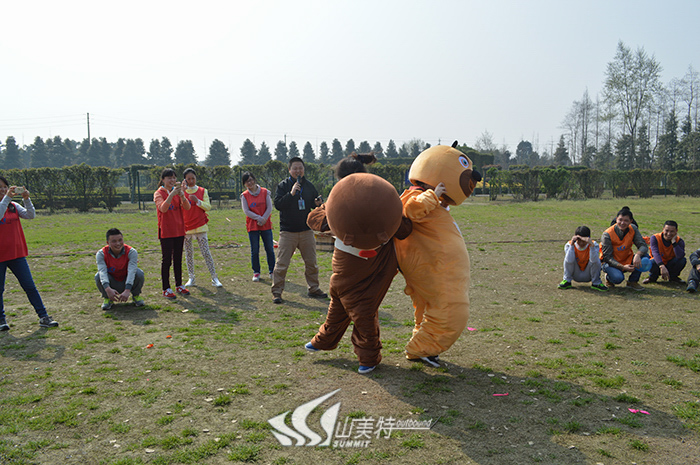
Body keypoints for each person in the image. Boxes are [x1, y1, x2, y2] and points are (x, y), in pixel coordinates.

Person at [0, 177, 58, 330]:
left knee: (30, 286)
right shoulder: (5, 203)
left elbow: (30, 215)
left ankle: (43, 316)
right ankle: (1, 320)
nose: (3, 190)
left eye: (5, 187)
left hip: (17, 255)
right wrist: (7, 198)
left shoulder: (13, 206)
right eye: (0, 187)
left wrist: (26, 199)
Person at [271, 157, 326, 304]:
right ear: (290, 170)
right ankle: (277, 292)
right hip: (288, 232)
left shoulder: (309, 186)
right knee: (282, 264)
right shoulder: (283, 186)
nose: (298, 171)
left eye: (300, 168)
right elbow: (278, 205)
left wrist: (317, 203)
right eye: (295, 168)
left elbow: (314, 204)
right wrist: (291, 194)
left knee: (311, 263)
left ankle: (314, 288)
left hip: (306, 231)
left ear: (304, 169)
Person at [182, 168, 222, 288]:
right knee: (188, 253)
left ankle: (214, 277)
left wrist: (198, 201)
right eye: (188, 179)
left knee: (206, 252)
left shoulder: (202, 191)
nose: (191, 181)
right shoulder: (181, 192)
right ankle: (191, 278)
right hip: (186, 227)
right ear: (185, 180)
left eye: (193, 178)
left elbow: (208, 207)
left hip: (200, 226)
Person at [154, 168, 191, 299]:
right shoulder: (158, 193)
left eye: (174, 178)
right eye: (169, 178)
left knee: (178, 259)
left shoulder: (178, 192)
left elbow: (187, 207)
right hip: (166, 231)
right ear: (163, 180)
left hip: (179, 230)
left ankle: (179, 285)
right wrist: (171, 195)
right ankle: (166, 288)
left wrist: (182, 195)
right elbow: (163, 208)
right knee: (167, 260)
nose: (172, 180)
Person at [600, 206, 649, 291]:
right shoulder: (607, 234)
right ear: (616, 219)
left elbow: (643, 245)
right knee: (618, 278)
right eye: (620, 220)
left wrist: (637, 255)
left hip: (626, 258)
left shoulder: (633, 228)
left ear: (631, 221)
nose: (622, 223)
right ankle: (609, 278)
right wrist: (623, 267)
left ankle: (632, 281)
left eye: (626, 220)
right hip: (610, 262)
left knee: (645, 257)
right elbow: (607, 257)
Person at [96, 228, 145, 310]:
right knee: (98, 276)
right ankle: (107, 298)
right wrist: (107, 289)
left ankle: (136, 295)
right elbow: (102, 272)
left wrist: (127, 289)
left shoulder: (131, 252)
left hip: (127, 280)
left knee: (139, 273)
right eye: (114, 241)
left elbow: (132, 271)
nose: (118, 243)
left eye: (120, 240)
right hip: (112, 281)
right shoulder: (101, 254)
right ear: (108, 243)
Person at [241, 172, 276, 282]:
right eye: (247, 181)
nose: (249, 183)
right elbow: (246, 211)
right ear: (244, 184)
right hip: (253, 226)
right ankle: (256, 272)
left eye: (251, 180)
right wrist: (258, 218)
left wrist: (264, 218)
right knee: (255, 250)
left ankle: (272, 271)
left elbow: (269, 207)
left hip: (266, 225)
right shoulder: (244, 196)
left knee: (269, 249)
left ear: (254, 179)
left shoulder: (265, 192)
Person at [558, 226, 607, 291]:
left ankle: (596, 282)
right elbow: (569, 261)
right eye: (579, 241)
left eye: (583, 241)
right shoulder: (569, 244)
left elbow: (594, 261)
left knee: (596, 260)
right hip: (575, 273)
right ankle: (567, 280)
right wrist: (572, 245)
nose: (581, 243)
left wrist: (591, 246)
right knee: (567, 258)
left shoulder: (594, 244)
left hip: (588, 273)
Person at [642, 220, 686, 285]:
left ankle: (673, 277)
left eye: (672, 231)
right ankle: (652, 277)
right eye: (667, 230)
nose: (669, 233)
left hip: (670, 263)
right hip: (657, 263)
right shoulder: (655, 238)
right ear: (663, 229)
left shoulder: (679, 241)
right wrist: (662, 266)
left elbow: (680, 256)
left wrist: (674, 242)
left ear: (676, 231)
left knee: (682, 260)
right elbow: (655, 253)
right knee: (653, 261)